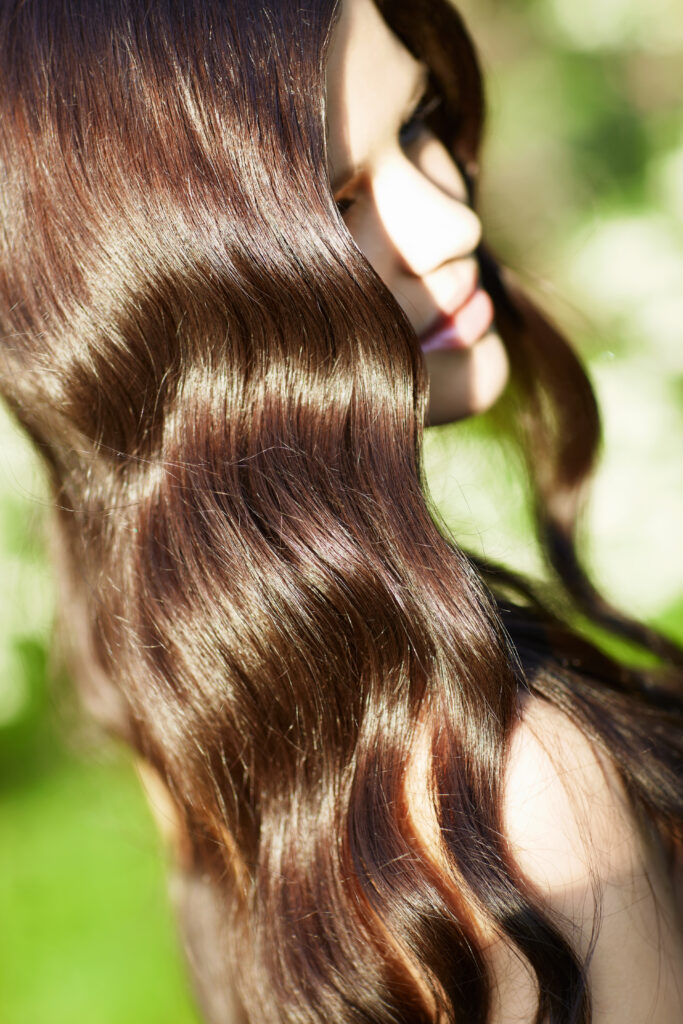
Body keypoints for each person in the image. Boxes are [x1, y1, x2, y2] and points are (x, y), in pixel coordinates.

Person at [0, 0, 681, 1021]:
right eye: (339, 199)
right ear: (173, 303)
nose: (448, 218)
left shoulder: (193, 685)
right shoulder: (515, 799)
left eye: (415, 124)